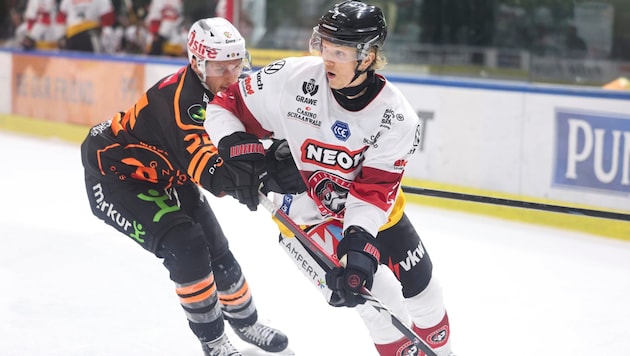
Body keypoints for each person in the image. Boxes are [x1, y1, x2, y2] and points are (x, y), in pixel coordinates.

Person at [203, 1, 455, 355]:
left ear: (367, 57)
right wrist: (238, 149)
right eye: (324, 45)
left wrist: (357, 241)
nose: (328, 58)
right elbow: (224, 106)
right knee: (379, 302)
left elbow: (373, 192)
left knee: (426, 293)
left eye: (340, 51)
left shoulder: (396, 118)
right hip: (306, 214)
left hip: (373, 213)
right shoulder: (291, 79)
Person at [80, 17, 290, 356]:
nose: (232, 77)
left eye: (238, 65)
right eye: (222, 68)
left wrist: (278, 154)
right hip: (118, 178)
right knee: (187, 246)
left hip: (167, 174)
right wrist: (256, 175)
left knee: (216, 247)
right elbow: (210, 173)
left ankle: (247, 323)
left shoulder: (228, 85)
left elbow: (257, 134)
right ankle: (213, 341)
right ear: (197, 63)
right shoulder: (180, 102)